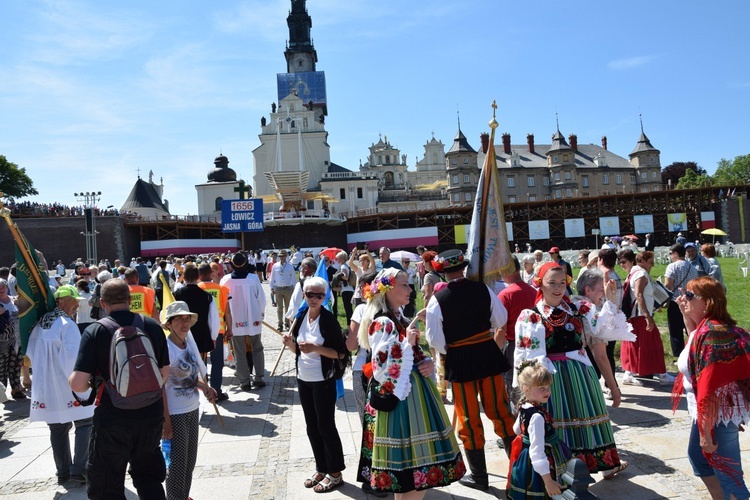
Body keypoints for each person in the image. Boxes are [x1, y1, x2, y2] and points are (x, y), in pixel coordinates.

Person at [514, 262, 631, 478]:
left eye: (562, 282)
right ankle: (560, 469)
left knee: (588, 416)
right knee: (556, 420)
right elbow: (527, 356)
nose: (558, 288)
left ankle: (600, 463)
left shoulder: (579, 308)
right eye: (552, 283)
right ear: (540, 284)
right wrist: (531, 389)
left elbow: (604, 329)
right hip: (551, 377)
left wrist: (610, 300)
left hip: (581, 374)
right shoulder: (531, 315)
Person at [357, 268, 465, 497]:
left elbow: (412, 354)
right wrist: (408, 345)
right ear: (387, 289)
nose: (410, 289)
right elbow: (381, 367)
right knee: (407, 472)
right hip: (398, 402)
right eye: (404, 285)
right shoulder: (383, 322)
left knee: (415, 475)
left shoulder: (400, 318)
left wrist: (425, 361)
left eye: (409, 284)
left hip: (413, 397)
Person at [69, 279, 170, 500]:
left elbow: (78, 384)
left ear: (103, 303)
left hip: (113, 417)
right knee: (148, 477)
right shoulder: (151, 326)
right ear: (129, 299)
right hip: (150, 414)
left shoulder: (95, 331)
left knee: (107, 485)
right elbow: (164, 373)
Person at [426, 249, 514, 491]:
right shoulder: (482, 289)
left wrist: (452, 348)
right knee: (500, 410)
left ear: (442, 272)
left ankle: (479, 476)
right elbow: (501, 318)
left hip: (461, 358)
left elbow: (434, 340)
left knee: (468, 416)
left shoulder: (438, 299)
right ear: (463, 268)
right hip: (487, 354)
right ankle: (518, 469)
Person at [673, 277, 750, 500]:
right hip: (711, 412)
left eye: (689, 295)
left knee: (728, 472)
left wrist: (706, 433)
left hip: (716, 414)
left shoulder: (712, 334)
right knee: (699, 459)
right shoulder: (704, 330)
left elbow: (710, 386)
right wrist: (686, 314)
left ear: (706, 303)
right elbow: (693, 350)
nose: (683, 298)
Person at [282, 277, 348, 493]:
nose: (314, 299)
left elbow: (340, 353)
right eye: (310, 294)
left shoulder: (328, 321)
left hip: (323, 380)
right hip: (304, 378)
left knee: (326, 426)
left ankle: (335, 473)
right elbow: (299, 351)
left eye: (319, 295)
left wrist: (316, 348)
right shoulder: (301, 316)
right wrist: (290, 344)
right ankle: (321, 467)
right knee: (311, 426)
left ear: (325, 297)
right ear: (304, 295)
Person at [26, 285, 95, 485]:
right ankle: (79, 469)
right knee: (85, 422)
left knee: (57, 428)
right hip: (67, 384)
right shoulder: (67, 324)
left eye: (77, 302)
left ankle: (63, 471)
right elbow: (73, 360)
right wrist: (83, 383)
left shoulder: (40, 324)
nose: (76, 305)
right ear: (60, 301)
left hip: (47, 385)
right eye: (73, 301)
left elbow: (30, 354)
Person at [161, 301, 217, 500]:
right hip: (175, 413)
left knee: (189, 461)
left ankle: (184, 496)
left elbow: (191, 375)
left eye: (187, 319)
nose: (185, 323)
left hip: (192, 408)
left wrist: (205, 387)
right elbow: (160, 387)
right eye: (179, 319)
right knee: (176, 464)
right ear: (168, 323)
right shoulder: (166, 349)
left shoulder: (187, 344)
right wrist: (166, 421)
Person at [508, 360, 572, 499]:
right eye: (541, 388)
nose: (547, 391)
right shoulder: (537, 416)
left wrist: (526, 439)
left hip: (525, 459)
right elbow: (537, 453)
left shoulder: (524, 406)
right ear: (525, 388)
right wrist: (549, 481)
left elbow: (517, 430)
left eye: (548, 387)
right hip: (542, 464)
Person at [618, 251, 674, 386]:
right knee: (654, 345)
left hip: (634, 317)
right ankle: (663, 375)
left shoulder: (633, 273)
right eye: (650, 262)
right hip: (641, 317)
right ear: (642, 261)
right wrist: (647, 316)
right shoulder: (641, 274)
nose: (653, 264)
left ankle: (628, 374)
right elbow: (639, 295)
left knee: (632, 345)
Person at [220, 252, 267, 390]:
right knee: (257, 348)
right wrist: (261, 315)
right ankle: (258, 378)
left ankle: (244, 381)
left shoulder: (225, 280)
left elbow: (224, 302)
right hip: (253, 318)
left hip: (235, 319)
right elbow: (261, 299)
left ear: (232, 264)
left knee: (239, 350)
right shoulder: (253, 279)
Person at [497, 256, 537, 400]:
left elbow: (501, 329)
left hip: (513, 346)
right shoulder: (533, 291)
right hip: (534, 345)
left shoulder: (505, 294)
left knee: (513, 385)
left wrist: (494, 353)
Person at [197, 263, 232, 402]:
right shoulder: (222, 289)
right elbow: (227, 312)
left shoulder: (196, 289)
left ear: (199, 275)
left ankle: (205, 391)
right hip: (218, 330)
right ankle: (216, 391)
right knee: (217, 362)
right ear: (212, 273)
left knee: (202, 363)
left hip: (201, 331)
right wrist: (231, 328)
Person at [664, 244, 698, 357]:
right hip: (690, 301)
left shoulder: (672, 267)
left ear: (675, 254)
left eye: (670, 253)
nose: (670, 256)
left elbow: (668, 286)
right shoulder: (692, 267)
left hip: (676, 301)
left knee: (675, 331)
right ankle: (693, 351)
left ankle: (679, 355)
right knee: (690, 328)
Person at [0, 278, 24, 400]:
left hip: (17, 338)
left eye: (3, 286)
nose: (1, 289)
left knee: (16, 364)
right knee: (2, 367)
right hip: (2, 340)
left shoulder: (14, 300)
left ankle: (16, 389)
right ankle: (2, 394)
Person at [269, 249, 295, 331]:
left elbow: (293, 278)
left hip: (288, 288)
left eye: (283, 256)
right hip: (278, 288)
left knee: (287, 307)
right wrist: (272, 287)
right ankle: (280, 324)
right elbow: (272, 277)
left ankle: (287, 323)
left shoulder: (290, 266)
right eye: (280, 256)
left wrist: (295, 288)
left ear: (286, 256)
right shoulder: (275, 266)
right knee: (279, 308)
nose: (282, 257)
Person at [335, 251, 355, 323]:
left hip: (346, 290)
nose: (337, 260)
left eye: (338, 258)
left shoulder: (343, 266)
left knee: (348, 310)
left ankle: (350, 326)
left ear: (342, 258)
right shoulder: (346, 265)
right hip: (349, 289)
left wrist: (338, 276)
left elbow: (345, 277)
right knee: (349, 309)